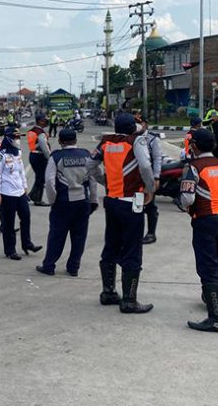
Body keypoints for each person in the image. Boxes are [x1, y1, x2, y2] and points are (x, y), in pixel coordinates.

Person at [87, 112, 155, 314]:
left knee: (112, 245)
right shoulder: (136, 142)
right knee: (132, 250)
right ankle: (129, 300)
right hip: (131, 201)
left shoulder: (106, 142)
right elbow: (144, 165)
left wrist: (105, 182)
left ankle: (108, 292)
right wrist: (150, 188)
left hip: (112, 201)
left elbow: (90, 166)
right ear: (132, 128)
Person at [179, 128, 218, 333]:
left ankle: (217, 317)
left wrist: (189, 207)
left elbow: (187, 198)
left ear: (194, 145)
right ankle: (211, 298)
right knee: (215, 260)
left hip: (206, 220)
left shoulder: (193, 167)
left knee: (207, 266)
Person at [36, 129, 98, 277]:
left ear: (60, 141)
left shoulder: (56, 157)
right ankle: (73, 268)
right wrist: (93, 200)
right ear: (75, 140)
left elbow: (50, 181)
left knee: (57, 236)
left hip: (63, 203)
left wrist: (52, 201)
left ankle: (49, 266)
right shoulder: (86, 155)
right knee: (79, 237)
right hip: (82, 202)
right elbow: (93, 179)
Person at [0, 126, 42, 260]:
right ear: (8, 138)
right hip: (7, 193)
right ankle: (10, 250)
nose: (18, 140)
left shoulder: (17, 153)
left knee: (26, 216)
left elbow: (21, 171)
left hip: (20, 192)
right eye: (15, 137)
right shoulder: (0, 155)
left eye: (19, 137)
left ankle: (27, 243)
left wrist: (25, 187)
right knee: (9, 223)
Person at [136, 116, 163, 245]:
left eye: (140, 122)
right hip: (135, 177)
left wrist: (156, 177)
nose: (138, 125)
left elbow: (158, 159)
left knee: (150, 205)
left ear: (146, 124)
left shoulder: (153, 139)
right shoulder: (132, 137)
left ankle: (151, 233)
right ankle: (136, 232)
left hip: (149, 177)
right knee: (137, 205)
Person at [26, 113, 51, 206]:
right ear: (40, 121)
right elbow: (44, 147)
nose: (46, 121)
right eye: (45, 120)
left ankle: (31, 196)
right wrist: (50, 158)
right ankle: (38, 200)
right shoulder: (40, 133)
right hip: (40, 157)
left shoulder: (32, 131)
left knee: (39, 177)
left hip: (33, 155)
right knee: (41, 178)